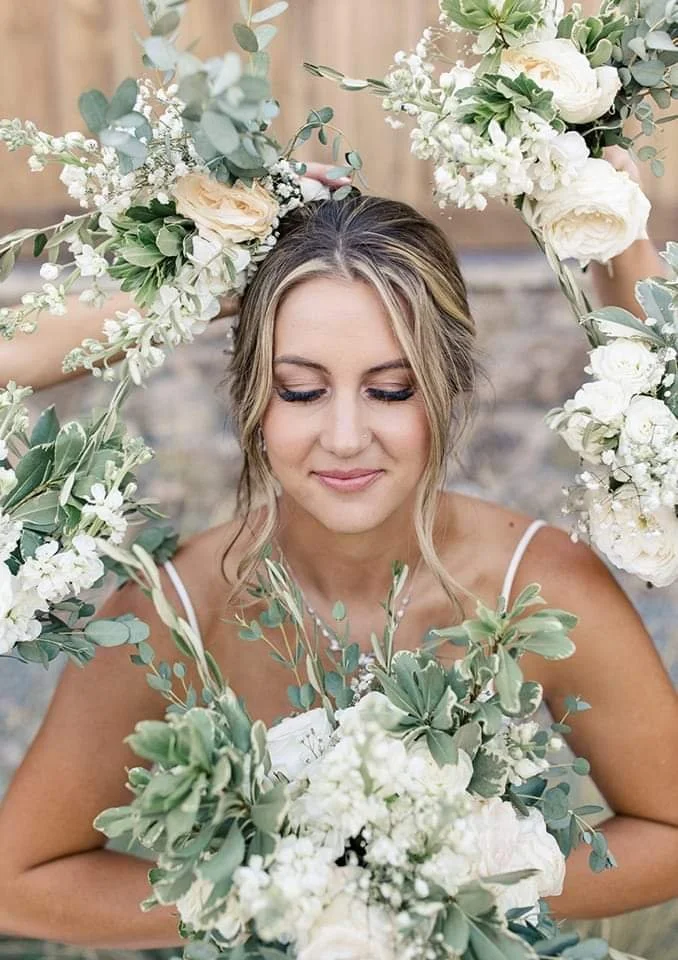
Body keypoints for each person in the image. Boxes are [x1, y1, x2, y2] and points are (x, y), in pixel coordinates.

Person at [0, 187, 676, 951]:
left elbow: (669, 828)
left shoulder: (539, 585)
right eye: (301, 390)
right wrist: (285, 897)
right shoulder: (174, 610)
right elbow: (17, 883)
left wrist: (453, 886)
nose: (346, 436)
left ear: (448, 391)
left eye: (391, 390)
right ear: (252, 399)